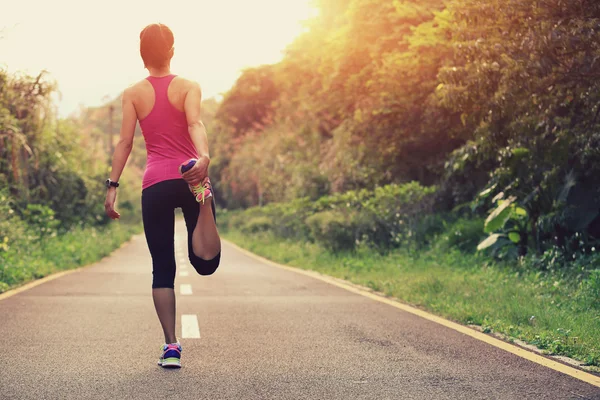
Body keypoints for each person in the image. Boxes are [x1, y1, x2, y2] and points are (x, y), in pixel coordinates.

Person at [103, 23, 222, 369]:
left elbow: (125, 142)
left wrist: (112, 186)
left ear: (142, 55)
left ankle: (171, 346)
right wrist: (203, 159)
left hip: (154, 182)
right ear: (172, 51)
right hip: (189, 176)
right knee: (205, 263)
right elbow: (195, 124)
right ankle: (204, 203)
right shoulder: (188, 86)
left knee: (162, 267)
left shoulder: (133, 93)